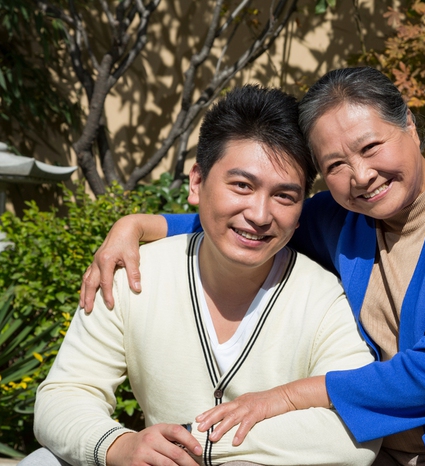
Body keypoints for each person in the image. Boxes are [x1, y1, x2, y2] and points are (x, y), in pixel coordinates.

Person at [80, 67, 425, 466]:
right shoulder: (343, 216)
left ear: (410, 126)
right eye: (335, 166)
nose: (362, 175)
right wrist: (138, 224)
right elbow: (246, 221)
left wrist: (288, 396)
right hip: (394, 452)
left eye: (371, 147)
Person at [23, 85, 379, 466]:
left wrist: (197, 446)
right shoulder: (136, 276)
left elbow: (356, 427)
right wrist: (120, 446)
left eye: (284, 196)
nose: (259, 215)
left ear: (301, 208)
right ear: (197, 183)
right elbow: (64, 394)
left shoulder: (321, 296)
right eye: (242, 185)